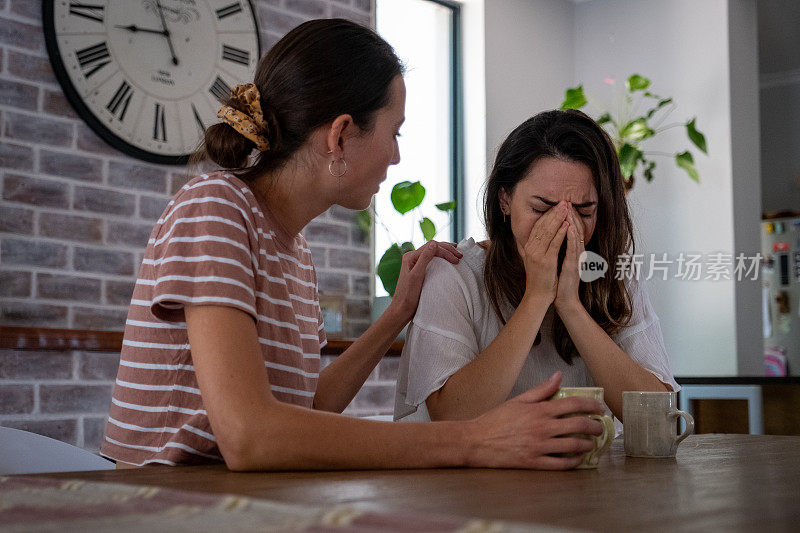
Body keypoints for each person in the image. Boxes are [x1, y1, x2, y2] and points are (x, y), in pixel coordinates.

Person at [101, 19, 604, 471]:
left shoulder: (292, 248)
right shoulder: (215, 208)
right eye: (394, 133)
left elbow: (305, 411)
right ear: (341, 135)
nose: (397, 156)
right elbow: (250, 436)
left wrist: (396, 314)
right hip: (165, 501)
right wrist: (470, 440)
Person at [395, 110, 678, 426]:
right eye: (541, 208)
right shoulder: (455, 275)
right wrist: (537, 297)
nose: (562, 226)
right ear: (505, 200)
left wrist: (570, 306)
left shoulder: (613, 276)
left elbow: (659, 419)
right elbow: (451, 415)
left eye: (584, 211)